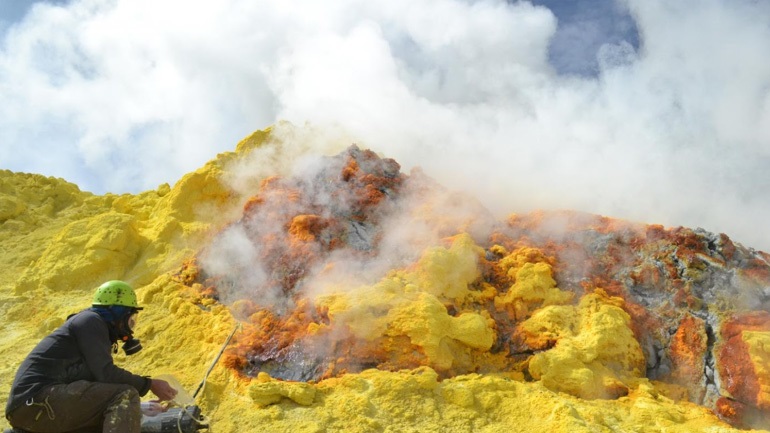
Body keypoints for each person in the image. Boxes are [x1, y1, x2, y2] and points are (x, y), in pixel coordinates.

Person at [4, 280, 178, 433]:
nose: (131, 325)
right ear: (119, 313)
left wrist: (136, 408)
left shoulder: (89, 327)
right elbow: (106, 374)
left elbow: (94, 388)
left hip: (32, 409)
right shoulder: (91, 321)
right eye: (130, 318)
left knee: (108, 414)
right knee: (125, 395)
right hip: (36, 402)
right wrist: (149, 384)